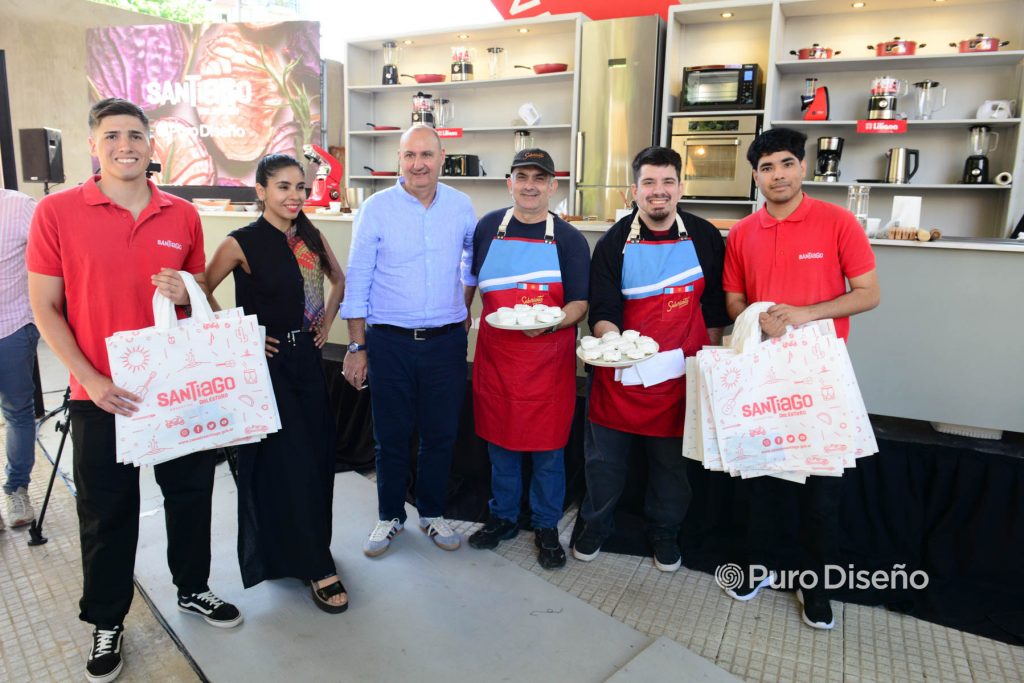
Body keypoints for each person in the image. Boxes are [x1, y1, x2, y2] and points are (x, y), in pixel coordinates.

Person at [26, 98, 241, 683]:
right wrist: (90, 380)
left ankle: (193, 588)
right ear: (94, 144)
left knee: (192, 496)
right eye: (113, 135)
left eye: (137, 135)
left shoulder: (182, 216)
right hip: (100, 393)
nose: (126, 145)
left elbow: (198, 299)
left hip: (176, 390)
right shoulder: (56, 212)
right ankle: (107, 619)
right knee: (107, 512)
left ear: (153, 145)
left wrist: (186, 291)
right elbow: (44, 307)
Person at [720, 127, 879, 630]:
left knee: (821, 492)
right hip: (763, 376)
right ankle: (758, 567)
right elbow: (733, 300)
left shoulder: (837, 222)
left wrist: (805, 314)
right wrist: (757, 317)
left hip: (821, 378)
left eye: (786, 164)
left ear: (803, 168)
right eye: (767, 168)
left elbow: (868, 292)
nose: (778, 175)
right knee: (761, 481)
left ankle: (817, 588)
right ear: (755, 176)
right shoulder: (744, 232)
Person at [573, 146, 729, 572]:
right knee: (603, 463)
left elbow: (713, 307)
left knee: (671, 468)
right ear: (634, 190)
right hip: (620, 375)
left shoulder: (703, 235)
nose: (658, 192)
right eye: (648, 183)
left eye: (667, 182)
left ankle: (665, 531)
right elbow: (602, 311)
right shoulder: (612, 243)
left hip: (680, 374)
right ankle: (595, 525)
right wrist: (620, 348)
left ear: (680, 188)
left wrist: (708, 362)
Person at [204, 154, 347, 613]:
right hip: (264, 367)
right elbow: (201, 289)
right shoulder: (239, 242)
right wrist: (240, 334)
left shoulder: (309, 235)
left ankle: (309, 549)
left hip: (308, 358)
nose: (294, 196)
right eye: (283, 187)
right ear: (261, 191)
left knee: (315, 459)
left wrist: (326, 321)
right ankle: (311, 563)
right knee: (281, 464)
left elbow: (338, 280)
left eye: (300, 187)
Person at [341, 125, 476, 557]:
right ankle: (390, 516)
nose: (418, 164)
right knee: (392, 436)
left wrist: (463, 305)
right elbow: (358, 279)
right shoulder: (378, 208)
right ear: (399, 160)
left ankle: (432, 514)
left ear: (442, 157)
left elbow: (472, 264)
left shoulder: (461, 205)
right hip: (389, 342)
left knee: (441, 434)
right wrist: (357, 346)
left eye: (427, 155)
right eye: (409, 155)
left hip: (445, 342)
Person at [465, 149, 590, 569]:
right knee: (500, 444)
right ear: (509, 182)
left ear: (553, 186)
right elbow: (468, 286)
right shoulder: (487, 228)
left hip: (548, 363)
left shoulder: (569, 239)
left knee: (548, 451)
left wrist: (553, 324)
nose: (531, 185)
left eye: (540, 178)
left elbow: (579, 304)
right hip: (498, 360)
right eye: (522, 176)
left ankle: (545, 525)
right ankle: (502, 517)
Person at [0, 188, 39, 531]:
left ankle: (17, 489)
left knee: (17, 412)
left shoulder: (20, 207)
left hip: (11, 329)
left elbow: (53, 256)